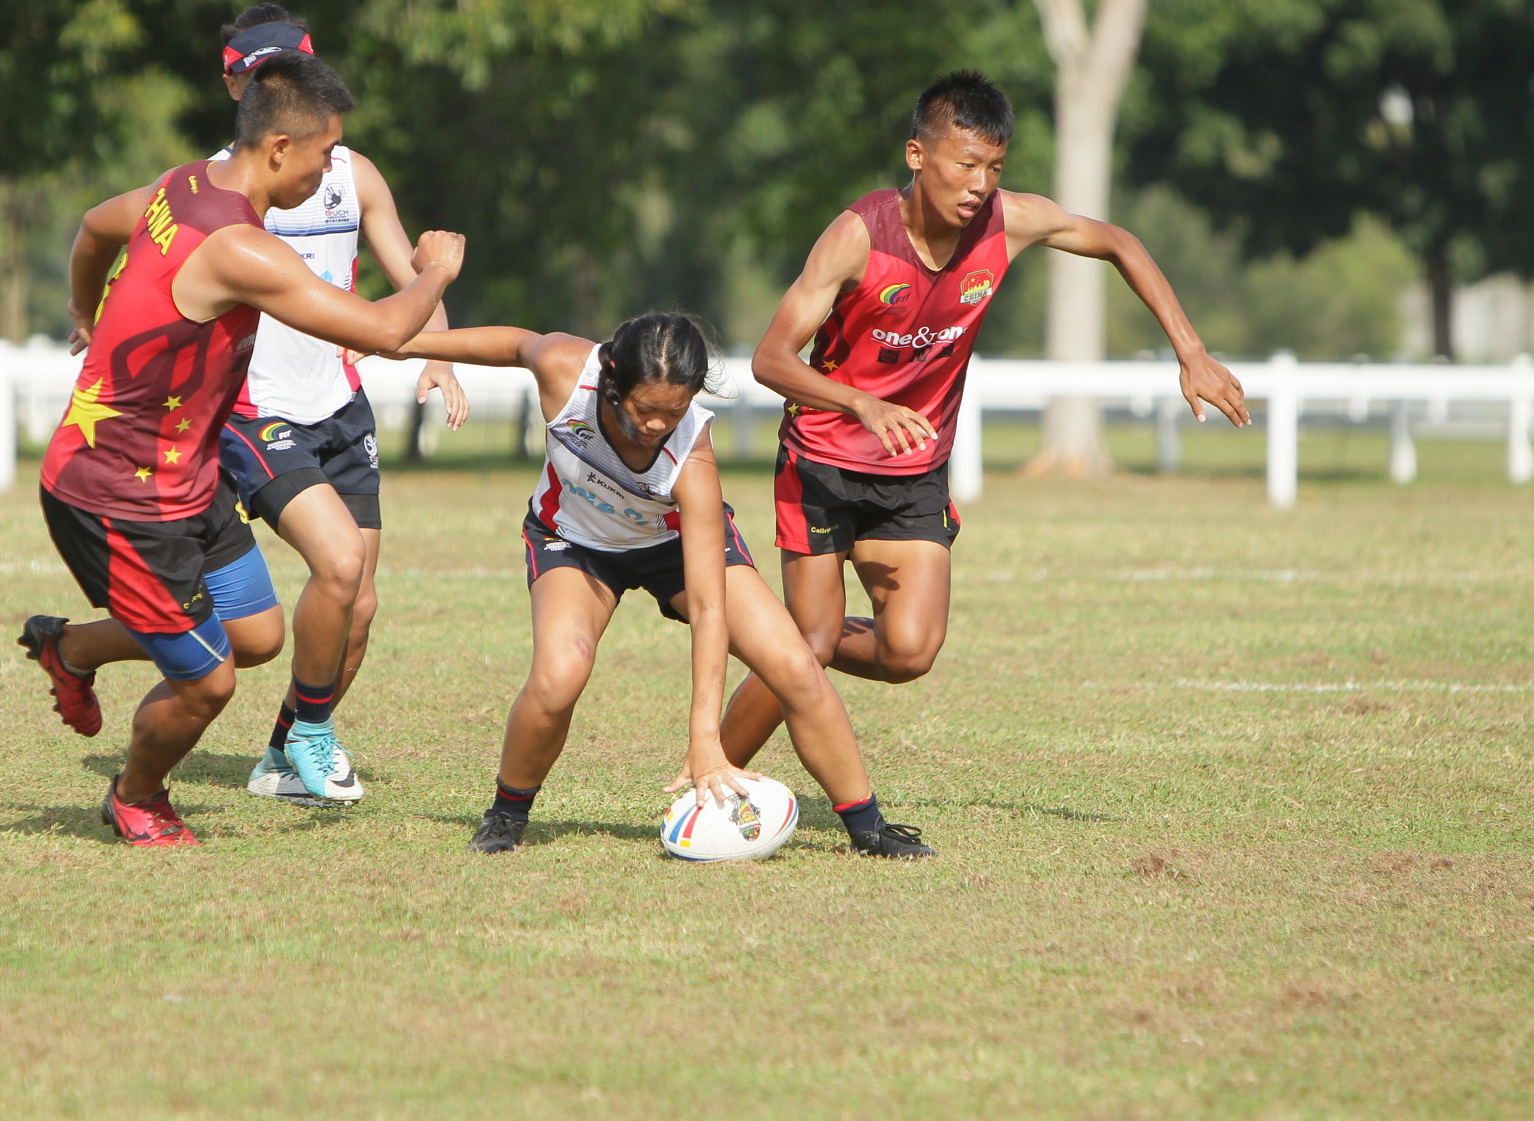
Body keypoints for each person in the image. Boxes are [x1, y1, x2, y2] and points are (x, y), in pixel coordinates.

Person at [716, 70, 1249, 767]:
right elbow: (771, 359)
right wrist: (860, 402)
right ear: (917, 156)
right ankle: (710, 778)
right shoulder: (857, 237)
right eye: (966, 164)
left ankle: (769, 639)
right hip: (822, 460)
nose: (979, 184)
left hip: (914, 472)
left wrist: (1192, 351)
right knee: (810, 647)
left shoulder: (1007, 223)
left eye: (994, 168)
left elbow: (1118, 241)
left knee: (910, 652)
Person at [19, 52, 465, 847]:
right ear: (280, 148)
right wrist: (434, 271)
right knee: (206, 679)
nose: (334, 171)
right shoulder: (241, 250)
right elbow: (387, 330)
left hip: (184, 478)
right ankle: (137, 797)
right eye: (327, 152)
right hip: (115, 491)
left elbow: (93, 227)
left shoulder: (184, 182)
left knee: (256, 636)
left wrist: (87, 312)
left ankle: (72, 646)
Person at [383, 312, 935, 858]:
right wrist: (401, 342)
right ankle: (507, 813)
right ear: (614, 377)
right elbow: (513, 342)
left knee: (795, 666)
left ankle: (869, 827)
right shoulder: (567, 371)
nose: (655, 425)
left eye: (672, 413)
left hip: (669, 549)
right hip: (574, 541)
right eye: (644, 409)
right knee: (559, 674)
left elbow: (708, 607)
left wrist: (705, 739)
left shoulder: (691, 453)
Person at [208, 6, 467, 809]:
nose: (279, 87)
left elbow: (409, 273)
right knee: (339, 568)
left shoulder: (351, 173)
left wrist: (440, 359)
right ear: (234, 85)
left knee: (360, 604)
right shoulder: (218, 187)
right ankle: (312, 734)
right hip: (257, 408)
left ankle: (286, 752)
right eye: (262, 76)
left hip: (340, 407)